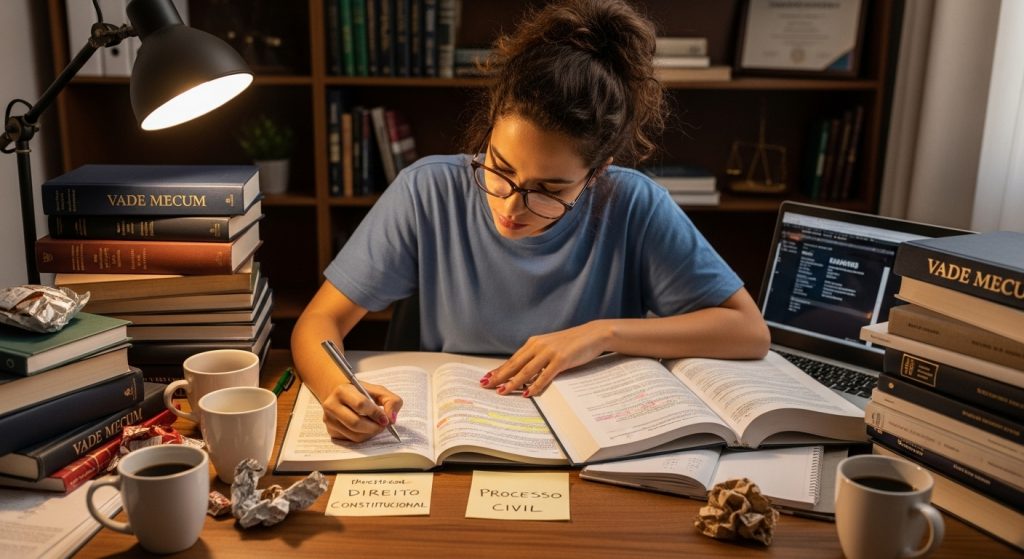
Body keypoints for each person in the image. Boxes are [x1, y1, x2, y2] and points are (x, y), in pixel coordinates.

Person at [291, 0, 770, 442]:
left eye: (549, 190)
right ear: (491, 127)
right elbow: (319, 321)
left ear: (597, 172)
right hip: (450, 434)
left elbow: (748, 331)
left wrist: (600, 334)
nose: (510, 206)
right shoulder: (427, 190)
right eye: (499, 167)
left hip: (586, 444)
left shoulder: (635, 204)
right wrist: (338, 389)